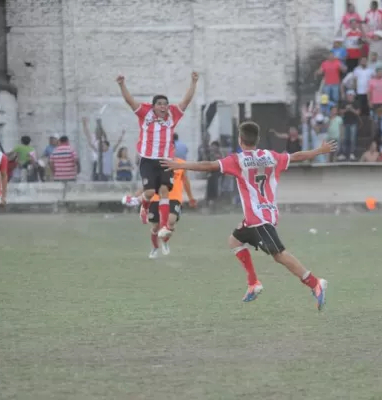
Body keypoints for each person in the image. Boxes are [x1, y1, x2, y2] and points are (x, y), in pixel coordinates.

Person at [161, 121, 336, 310]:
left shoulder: (238, 160)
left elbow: (208, 165)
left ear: (240, 140)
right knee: (234, 241)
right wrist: (320, 150)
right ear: (257, 139)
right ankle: (253, 283)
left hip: (259, 219)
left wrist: (180, 165)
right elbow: (297, 156)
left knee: (279, 255)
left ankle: (315, 283)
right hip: (262, 215)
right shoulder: (271, 156)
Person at [117, 72, 198, 239]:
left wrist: (193, 82)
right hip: (147, 159)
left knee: (163, 191)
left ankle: (164, 226)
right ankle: (143, 206)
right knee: (149, 192)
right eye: (159, 104)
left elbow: (186, 101)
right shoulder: (145, 113)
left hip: (165, 161)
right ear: (153, 106)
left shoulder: (173, 115)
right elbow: (130, 101)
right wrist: (121, 84)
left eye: (165, 104)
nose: (163, 107)